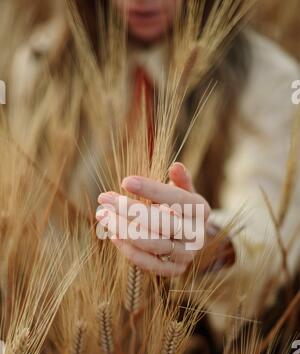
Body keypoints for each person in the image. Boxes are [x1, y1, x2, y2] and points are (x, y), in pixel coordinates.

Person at [7, 0, 300, 334]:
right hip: (67, 334)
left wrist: (209, 245)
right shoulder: (39, 63)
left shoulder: (272, 80)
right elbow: (36, 224)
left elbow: (270, 224)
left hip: (199, 352)